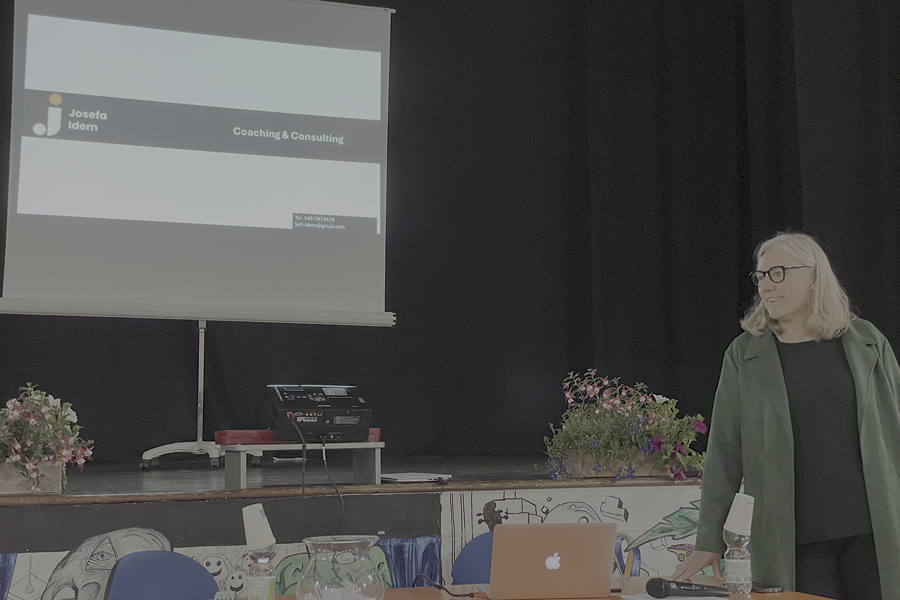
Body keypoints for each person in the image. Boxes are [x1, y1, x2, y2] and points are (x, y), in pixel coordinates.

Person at [671, 232, 899, 600]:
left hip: (872, 530)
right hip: (794, 539)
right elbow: (724, 454)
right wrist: (709, 539)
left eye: (778, 273)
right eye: (761, 276)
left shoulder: (866, 341)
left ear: (813, 276)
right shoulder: (744, 355)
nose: (766, 285)